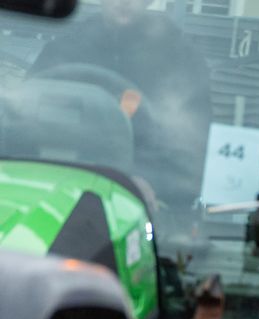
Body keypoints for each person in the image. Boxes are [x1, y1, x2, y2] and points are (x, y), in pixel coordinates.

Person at [30, 0, 212, 209]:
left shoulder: (180, 57)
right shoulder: (63, 49)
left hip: (149, 204)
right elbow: (28, 123)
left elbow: (192, 146)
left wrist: (152, 183)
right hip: (63, 190)